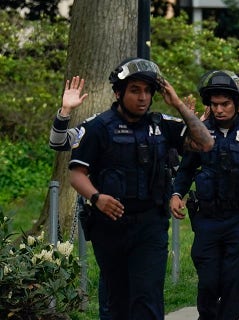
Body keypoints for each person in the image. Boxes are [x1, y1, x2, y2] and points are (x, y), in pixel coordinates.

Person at [68, 58, 214, 320]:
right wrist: (97, 197)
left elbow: (205, 143)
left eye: (148, 91)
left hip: (150, 225)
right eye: (135, 90)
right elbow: (76, 174)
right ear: (119, 93)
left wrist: (178, 104)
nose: (143, 97)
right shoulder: (99, 127)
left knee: (147, 297)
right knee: (117, 300)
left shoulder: (161, 124)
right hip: (110, 224)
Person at [170, 70, 239, 320]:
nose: (219, 110)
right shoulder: (199, 133)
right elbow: (185, 170)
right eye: (214, 104)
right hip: (207, 219)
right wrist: (176, 194)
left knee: (235, 281)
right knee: (208, 282)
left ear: (237, 103)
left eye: (225, 104)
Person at [49, 76, 112, 320]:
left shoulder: (148, 127)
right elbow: (58, 142)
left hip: (145, 219)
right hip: (105, 214)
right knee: (110, 278)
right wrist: (65, 111)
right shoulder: (94, 129)